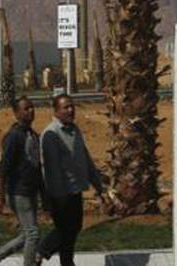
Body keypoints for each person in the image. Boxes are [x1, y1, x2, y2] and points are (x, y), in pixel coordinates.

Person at [37, 94, 108, 266]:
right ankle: (41, 251)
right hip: (60, 194)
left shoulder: (74, 130)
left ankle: (65, 262)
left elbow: (85, 158)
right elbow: (52, 171)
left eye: (72, 106)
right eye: (66, 107)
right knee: (65, 230)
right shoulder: (51, 134)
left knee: (73, 229)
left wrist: (98, 185)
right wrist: (56, 201)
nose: (71, 110)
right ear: (56, 111)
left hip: (74, 189)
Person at [0, 97, 43, 266]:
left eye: (32, 107)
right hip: (18, 192)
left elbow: (37, 167)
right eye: (25, 109)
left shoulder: (33, 135)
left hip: (30, 191)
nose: (30, 111)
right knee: (32, 234)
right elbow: (3, 168)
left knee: (26, 235)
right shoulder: (14, 137)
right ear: (16, 113)